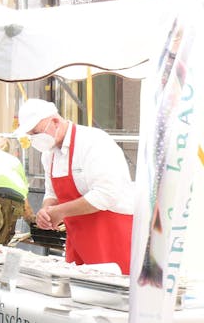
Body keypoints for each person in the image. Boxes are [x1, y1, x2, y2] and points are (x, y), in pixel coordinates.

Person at [13, 98, 136, 272]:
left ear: (54, 122)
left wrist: (60, 212)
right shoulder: (48, 155)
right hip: (78, 238)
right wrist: (46, 211)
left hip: (111, 235)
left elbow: (106, 194)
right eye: (30, 136)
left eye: (36, 132)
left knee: (112, 291)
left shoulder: (94, 141)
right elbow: (51, 192)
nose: (34, 139)